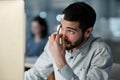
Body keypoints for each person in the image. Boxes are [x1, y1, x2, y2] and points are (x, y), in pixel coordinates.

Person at [25, 2, 113, 80]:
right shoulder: (56, 41)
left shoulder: (100, 51)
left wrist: (60, 60)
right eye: (61, 27)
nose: (62, 35)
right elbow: (36, 73)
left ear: (88, 32)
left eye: (70, 31)